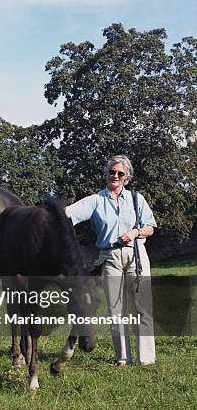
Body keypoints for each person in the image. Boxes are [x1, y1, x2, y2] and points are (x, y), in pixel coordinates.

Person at [66, 154, 157, 366]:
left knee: (142, 308)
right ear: (106, 174)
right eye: (111, 172)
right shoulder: (96, 200)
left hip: (136, 254)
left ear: (126, 177)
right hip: (110, 257)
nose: (115, 175)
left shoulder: (136, 199)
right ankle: (123, 357)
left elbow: (151, 228)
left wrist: (135, 233)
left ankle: (146, 359)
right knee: (116, 310)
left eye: (120, 173)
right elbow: (68, 213)